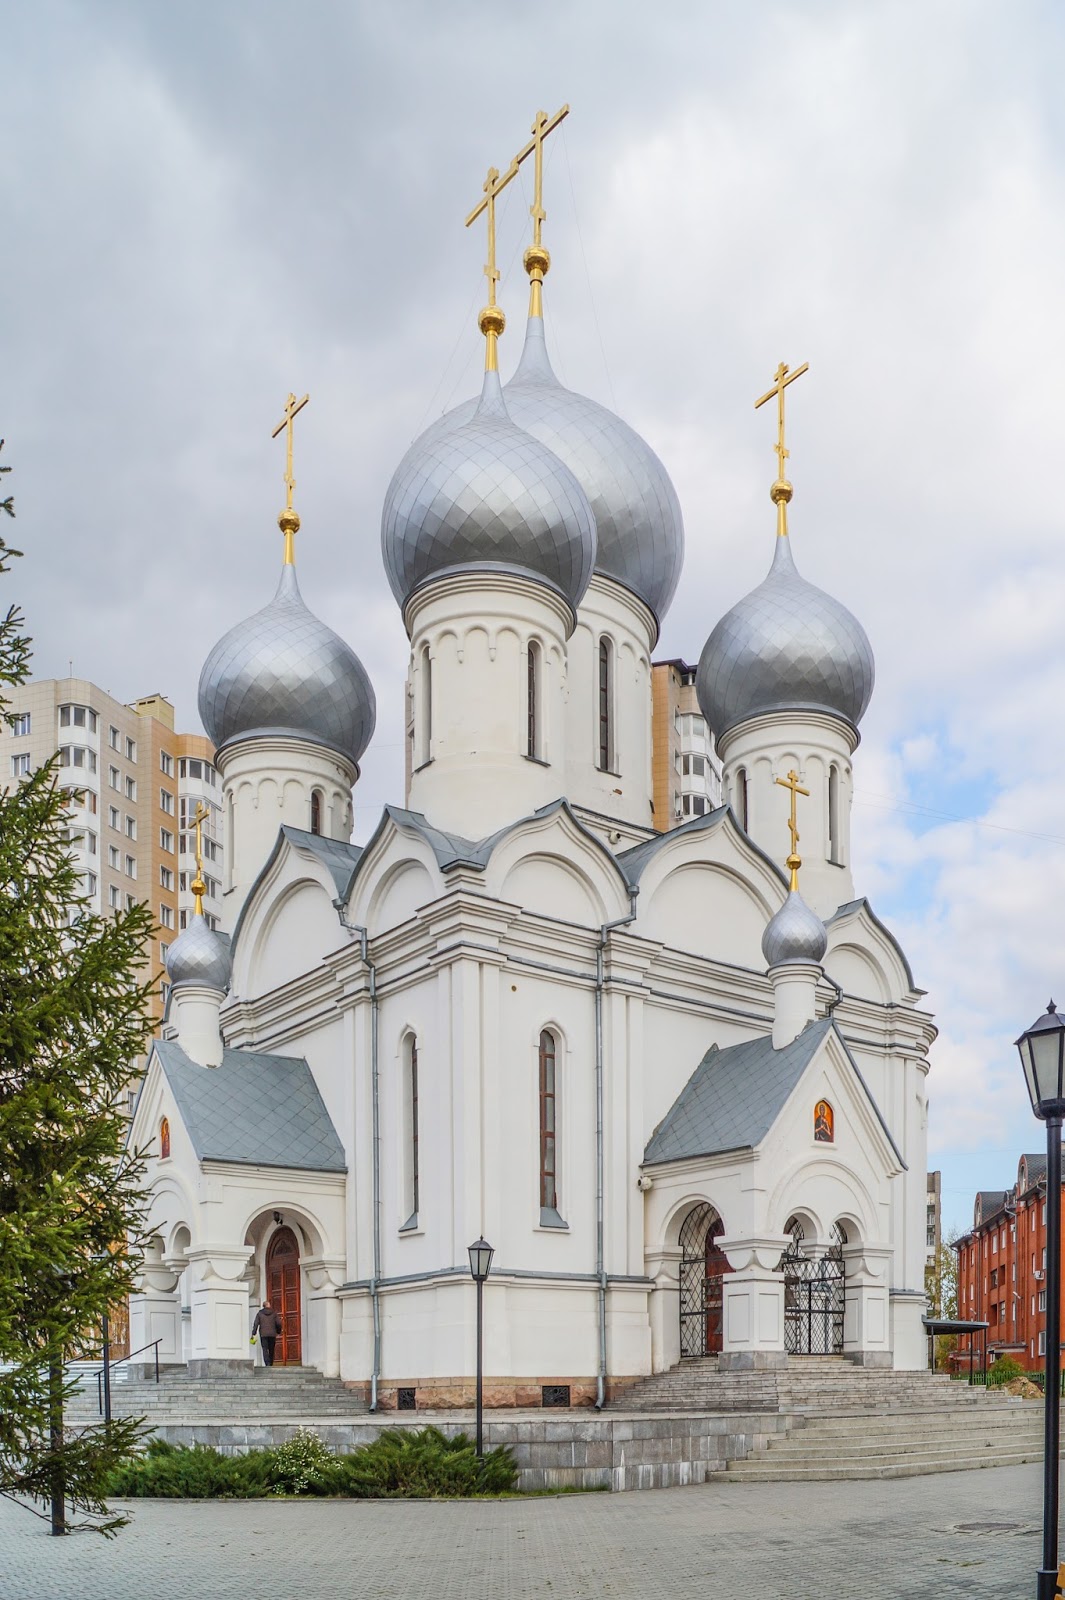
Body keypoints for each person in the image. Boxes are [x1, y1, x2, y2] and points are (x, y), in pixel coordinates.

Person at [252, 1300, 283, 1367]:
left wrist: (253, 1332)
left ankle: (267, 1363)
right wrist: (278, 1331)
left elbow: (256, 1323)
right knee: (272, 1348)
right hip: (272, 1334)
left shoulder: (260, 1313)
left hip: (263, 1334)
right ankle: (271, 1363)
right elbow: (278, 1323)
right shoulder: (274, 1313)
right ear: (269, 1305)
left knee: (265, 1348)